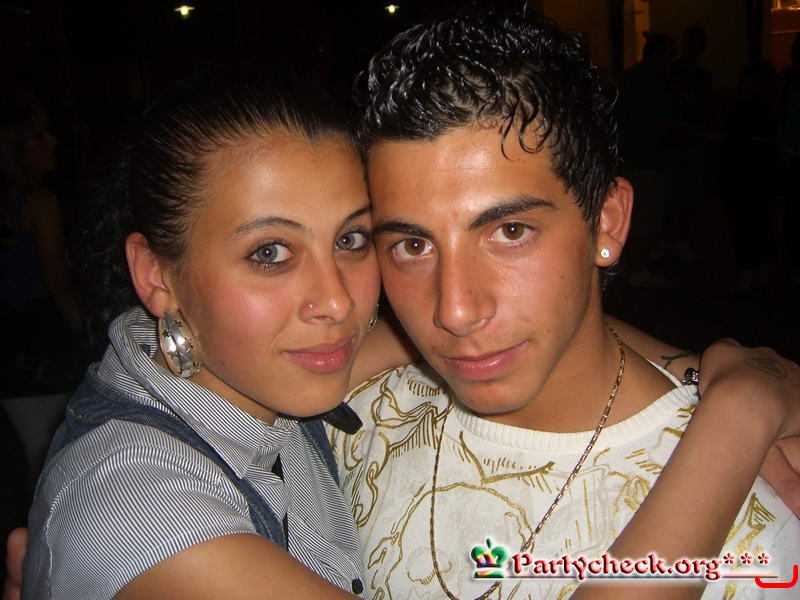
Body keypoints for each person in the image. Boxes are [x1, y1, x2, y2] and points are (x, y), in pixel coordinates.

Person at [329, 10, 800, 600]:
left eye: (510, 232)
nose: (455, 311)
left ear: (607, 222)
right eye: (413, 245)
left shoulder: (752, 529)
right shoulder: (351, 414)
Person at [21, 68, 399, 599]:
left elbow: (427, 337)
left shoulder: (239, 374)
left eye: (351, 239)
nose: (338, 301)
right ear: (157, 275)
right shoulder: (142, 506)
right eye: (270, 252)